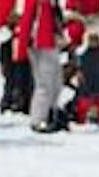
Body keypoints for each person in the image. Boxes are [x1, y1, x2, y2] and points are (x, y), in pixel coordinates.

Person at [15, 0, 61, 132]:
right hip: (39, 44)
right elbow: (27, 20)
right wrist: (22, 49)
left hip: (51, 42)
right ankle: (38, 119)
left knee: (56, 82)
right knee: (44, 84)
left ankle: (52, 113)